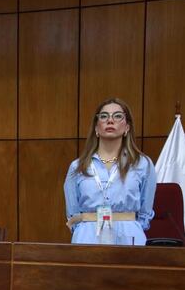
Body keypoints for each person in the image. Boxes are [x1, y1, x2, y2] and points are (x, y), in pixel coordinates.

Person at [64, 98, 156, 246]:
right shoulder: (77, 166)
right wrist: (84, 230)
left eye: (118, 116)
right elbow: (73, 213)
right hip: (87, 238)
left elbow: (145, 213)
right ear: (96, 127)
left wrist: (128, 226)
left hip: (129, 237)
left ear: (127, 127)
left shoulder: (143, 164)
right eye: (104, 116)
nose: (110, 120)